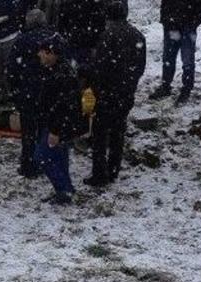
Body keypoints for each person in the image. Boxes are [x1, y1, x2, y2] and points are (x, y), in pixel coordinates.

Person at [84, 1, 145, 187]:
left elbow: (99, 68)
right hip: (126, 92)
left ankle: (99, 174)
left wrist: (93, 89)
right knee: (118, 131)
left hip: (107, 93)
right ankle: (113, 168)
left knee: (100, 135)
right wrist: (130, 83)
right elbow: (140, 66)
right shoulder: (137, 35)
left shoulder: (107, 36)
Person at [34, 33, 81, 205]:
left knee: (42, 157)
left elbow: (63, 106)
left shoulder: (61, 75)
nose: (39, 55)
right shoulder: (57, 70)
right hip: (58, 124)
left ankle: (64, 190)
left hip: (56, 125)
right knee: (60, 158)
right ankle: (64, 190)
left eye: (43, 52)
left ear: (51, 53)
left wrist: (55, 130)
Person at [8, 9, 52, 178]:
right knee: (45, 130)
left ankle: (28, 166)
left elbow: (12, 69)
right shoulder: (54, 38)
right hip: (49, 94)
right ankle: (45, 162)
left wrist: (15, 91)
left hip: (28, 93)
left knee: (28, 133)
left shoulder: (22, 41)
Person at [148, 0, 201, 105]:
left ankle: (186, 89)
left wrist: (193, 23)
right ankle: (165, 86)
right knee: (168, 58)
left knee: (187, 60)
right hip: (171, 25)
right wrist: (166, 19)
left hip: (188, 27)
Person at [0, 0, 34, 104]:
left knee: (12, 69)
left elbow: (19, 11)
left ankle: (15, 98)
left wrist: (3, 19)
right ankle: (2, 96)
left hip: (10, 37)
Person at [55, 0, 107, 72]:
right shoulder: (96, 4)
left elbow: (61, 25)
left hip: (72, 41)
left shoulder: (66, 4)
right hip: (86, 44)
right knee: (84, 73)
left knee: (68, 71)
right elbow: (100, 26)